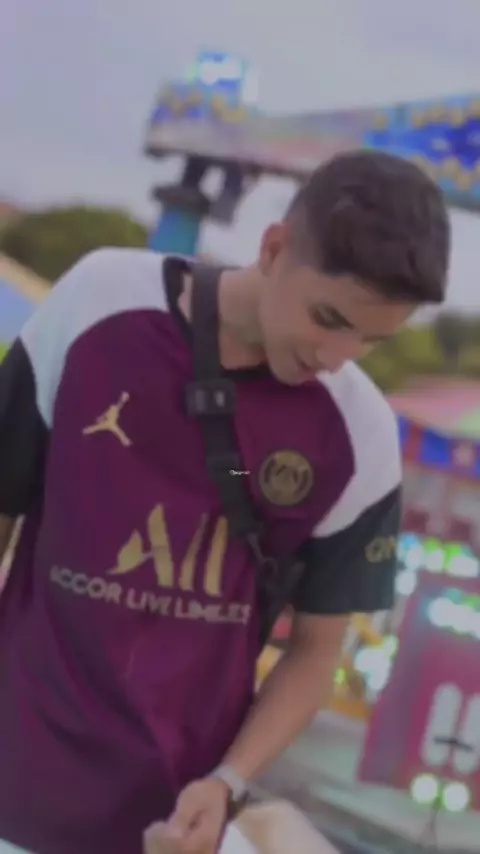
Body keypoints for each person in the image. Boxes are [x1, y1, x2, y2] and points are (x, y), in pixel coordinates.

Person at [0, 150, 450, 854]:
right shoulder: (99, 302)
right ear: (272, 249)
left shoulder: (359, 433)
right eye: (329, 317)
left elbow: (315, 653)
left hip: (168, 823)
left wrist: (228, 782)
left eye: (371, 338)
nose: (337, 355)